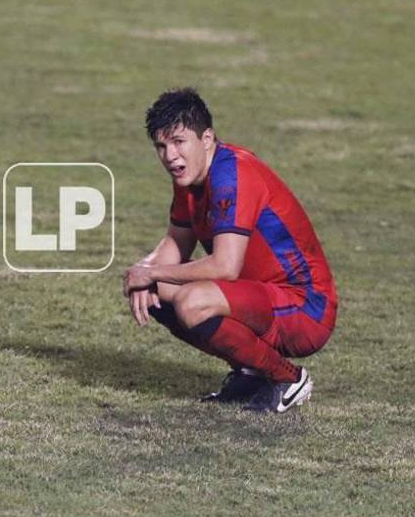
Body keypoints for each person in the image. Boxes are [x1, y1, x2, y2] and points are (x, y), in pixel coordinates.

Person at [123, 88, 338, 413]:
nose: (170, 156)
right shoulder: (190, 178)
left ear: (206, 139)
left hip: (304, 309)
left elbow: (225, 267)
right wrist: (144, 277)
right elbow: (176, 243)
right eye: (161, 146)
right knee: (156, 292)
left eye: (179, 142)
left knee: (191, 301)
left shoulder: (232, 174)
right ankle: (251, 372)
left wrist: (151, 272)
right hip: (257, 297)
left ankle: (287, 379)